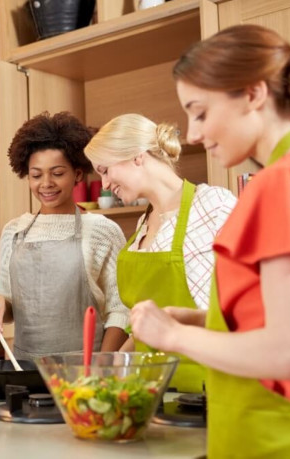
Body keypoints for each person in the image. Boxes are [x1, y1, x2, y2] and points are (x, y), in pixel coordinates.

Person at [129, 24, 290, 456]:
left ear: (253, 94)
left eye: (199, 112)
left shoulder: (282, 182)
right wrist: (206, 321)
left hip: (278, 435)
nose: (193, 134)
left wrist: (171, 337)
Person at [84, 113, 236, 393]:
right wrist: (114, 364)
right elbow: (142, 327)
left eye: (105, 170)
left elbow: (243, 311)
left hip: (208, 391)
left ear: (136, 156)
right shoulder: (142, 227)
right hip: (152, 392)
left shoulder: (214, 207)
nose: (104, 184)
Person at [0, 112, 129, 358]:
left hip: (84, 372)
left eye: (57, 173)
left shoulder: (102, 230)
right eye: (36, 175)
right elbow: (7, 299)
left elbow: (120, 309)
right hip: (24, 368)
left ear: (78, 174)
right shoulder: (14, 231)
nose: (46, 183)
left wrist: (102, 366)